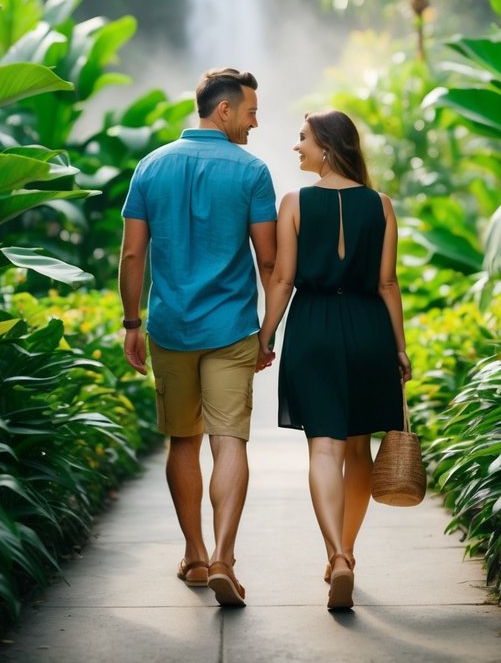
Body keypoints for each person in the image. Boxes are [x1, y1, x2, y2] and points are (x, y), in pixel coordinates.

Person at [119, 67, 277, 608]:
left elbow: (133, 254)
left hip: (169, 327)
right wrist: (268, 330)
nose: (256, 123)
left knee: (182, 440)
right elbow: (269, 260)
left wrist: (131, 323)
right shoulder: (253, 173)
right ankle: (225, 560)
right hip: (231, 328)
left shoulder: (151, 165)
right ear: (224, 110)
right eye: (251, 112)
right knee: (229, 440)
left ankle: (194, 553)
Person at [257, 109, 411, 611]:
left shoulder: (295, 203)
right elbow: (388, 283)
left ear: (326, 145)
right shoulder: (382, 204)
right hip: (368, 329)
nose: (296, 147)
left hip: (315, 328)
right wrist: (400, 347)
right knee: (357, 450)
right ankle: (348, 552)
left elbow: (282, 279)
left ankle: (337, 555)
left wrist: (266, 333)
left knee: (323, 449)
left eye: (302, 139)